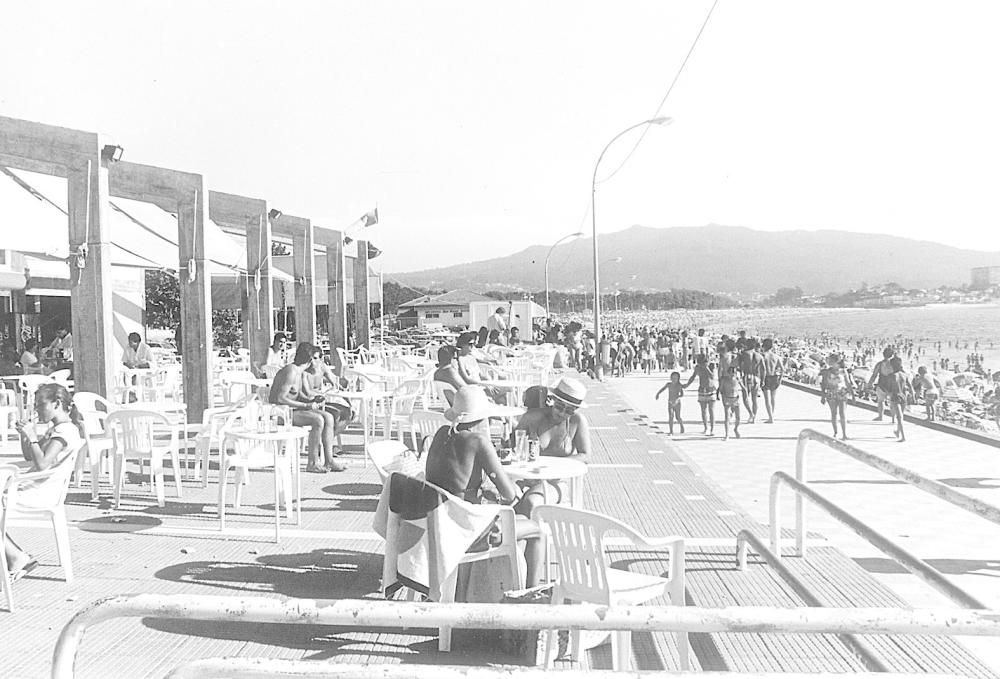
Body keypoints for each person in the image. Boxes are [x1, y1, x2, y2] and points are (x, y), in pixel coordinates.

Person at [425, 386, 543, 586]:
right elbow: (508, 493)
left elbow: (454, 479)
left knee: (517, 532)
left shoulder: (441, 433)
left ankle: (495, 588)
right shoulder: (478, 441)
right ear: (482, 418)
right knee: (536, 530)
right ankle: (530, 593)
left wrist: (480, 489)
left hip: (438, 524)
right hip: (467, 531)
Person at [5, 383, 84, 582]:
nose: (38, 410)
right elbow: (30, 456)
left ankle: (16, 557)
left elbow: (42, 464)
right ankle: (14, 557)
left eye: (41, 405)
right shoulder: (57, 428)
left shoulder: (65, 431)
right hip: (35, 486)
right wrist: (26, 436)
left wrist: (32, 436)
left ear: (57, 404)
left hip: (39, 491)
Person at [268, 342, 345, 472]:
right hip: (280, 412)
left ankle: (329, 460)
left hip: (291, 409)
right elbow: (280, 398)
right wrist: (306, 405)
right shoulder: (291, 371)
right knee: (318, 420)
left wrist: (312, 399)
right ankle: (312, 462)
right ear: (309, 360)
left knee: (328, 417)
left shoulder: (299, 371)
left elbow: (297, 395)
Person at [819, 353, 854, 440]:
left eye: (831, 361)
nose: (829, 362)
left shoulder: (843, 371)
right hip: (831, 394)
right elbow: (823, 384)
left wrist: (853, 395)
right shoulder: (827, 372)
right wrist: (822, 396)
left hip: (842, 393)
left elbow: (848, 383)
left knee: (842, 414)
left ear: (837, 362)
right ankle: (835, 432)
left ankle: (844, 434)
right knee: (834, 413)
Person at [684, 354, 717, 436]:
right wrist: (687, 384)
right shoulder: (698, 368)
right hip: (702, 390)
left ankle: (712, 428)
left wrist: (707, 368)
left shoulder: (712, 366)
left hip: (711, 389)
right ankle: (706, 427)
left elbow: (712, 377)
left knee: (711, 410)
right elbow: (693, 376)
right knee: (703, 410)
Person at [737, 338, 764, 424]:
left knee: (745, 398)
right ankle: (754, 417)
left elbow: (739, 364)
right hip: (756, 377)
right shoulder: (759, 356)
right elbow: (764, 369)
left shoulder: (744, 354)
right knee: (754, 399)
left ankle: (751, 414)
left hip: (747, 376)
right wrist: (762, 380)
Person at [886, 356, 913, 442]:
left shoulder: (891, 376)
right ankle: (898, 432)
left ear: (892, 366)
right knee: (901, 416)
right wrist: (913, 396)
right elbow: (911, 387)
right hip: (903, 396)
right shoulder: (904, 375)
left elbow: (889, 389)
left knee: (899, 417)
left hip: (895, 396)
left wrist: (888, 397)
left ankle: (903, 437)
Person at [867, 347, 896, 422]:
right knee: (892, 402)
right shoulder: (894, 364)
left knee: (880, 401)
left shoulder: (879, 364)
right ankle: (893, 419)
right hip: (892, 385)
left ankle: (880, 417)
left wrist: (870, 383)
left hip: (882, 384)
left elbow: (874, 375)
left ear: (883, 355)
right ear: (892, 355)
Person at [718, 365, 746, 441]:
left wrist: (746, 395)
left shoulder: (737, 379)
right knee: (727, 418)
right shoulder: (724, 380)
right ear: (728, 373)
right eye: (731, 372)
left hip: (736, 399)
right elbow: (720, 389)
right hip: (727, 399)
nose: (733, 374)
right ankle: (727, 435)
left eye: (734, 372)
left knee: (738, 418)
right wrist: (720, 396)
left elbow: (744, 388)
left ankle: (736, 429)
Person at [760, 338, 783, 423]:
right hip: (774, 377)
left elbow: (760, 368)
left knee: (767, 399)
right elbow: (782, 369)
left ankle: (770, 418)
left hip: (766, 378)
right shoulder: (776, 356)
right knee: (773, 398)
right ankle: (772, 415)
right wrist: (780, 379)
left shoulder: (762, 355)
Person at [655, 371, 685, 435]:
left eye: (675, 379)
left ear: (678, 379)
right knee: (671, 416)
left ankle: (681, 425)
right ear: (670, 378)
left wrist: (677, 398)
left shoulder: (679, 386)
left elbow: (682, 394)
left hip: (677, 403)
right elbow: (662, 389)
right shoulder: (669, 384)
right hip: (670, 402)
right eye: (672, 378)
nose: (674, 380)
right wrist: (658, 394)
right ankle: (671, 431)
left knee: (678, 417)